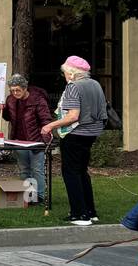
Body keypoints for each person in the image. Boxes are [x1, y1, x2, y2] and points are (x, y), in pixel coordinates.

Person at [41, 55, 108, 226]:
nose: (64, 76)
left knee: (71, 172)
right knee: (81, 171)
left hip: (75, 133)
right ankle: (91, 212)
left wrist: (50, 126)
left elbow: (72, 116)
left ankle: (79, 214)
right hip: (92, 133)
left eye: (64, 73)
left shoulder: (73, 87)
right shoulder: (96, 84)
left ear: (71, 73)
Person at [0, 73, 53, 204]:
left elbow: (46, 120)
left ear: (25, 88)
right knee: (24, 169)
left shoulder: (38, 100)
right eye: (12, 90)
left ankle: (40, 197)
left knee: (37, 169)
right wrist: (2, 109)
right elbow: (7, 117)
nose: (15, 93)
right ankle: (28, 196)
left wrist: (44, 141)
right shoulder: (10, 100)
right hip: (18, 140)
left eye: (18, 90)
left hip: (36, 140)